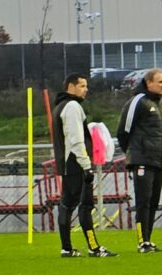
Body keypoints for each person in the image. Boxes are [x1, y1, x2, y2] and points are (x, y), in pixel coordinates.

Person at [52, 73, 117, 258]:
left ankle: (67, 247)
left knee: (67, 204)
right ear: (70, 87)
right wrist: (86, 165)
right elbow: (76, 139)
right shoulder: (72, 106)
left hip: (66, 164)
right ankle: (94, 247)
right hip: (75, 162)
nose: (86, 89)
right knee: (85, 205)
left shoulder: (59, 107)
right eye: (82, 86)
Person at [116, 68, 162, 254]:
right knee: (143, 202)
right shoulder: (138, 101)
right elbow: (123, 131)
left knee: (153, 201)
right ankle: (142, 241)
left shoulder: (161, 103)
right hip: (142, 160)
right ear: (149, 83)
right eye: (160, 82)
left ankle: (148, 239)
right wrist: (133, 154)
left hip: (159, 160)